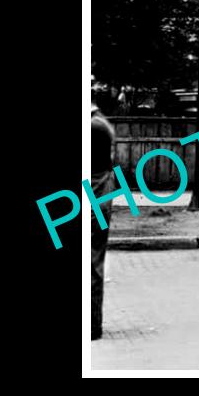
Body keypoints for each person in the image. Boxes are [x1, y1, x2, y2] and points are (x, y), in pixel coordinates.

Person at [91, 103, 117, 340]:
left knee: (91, 262)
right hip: (99, 194)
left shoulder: (94, 126)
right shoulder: (100, 123)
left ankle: (91, 325)